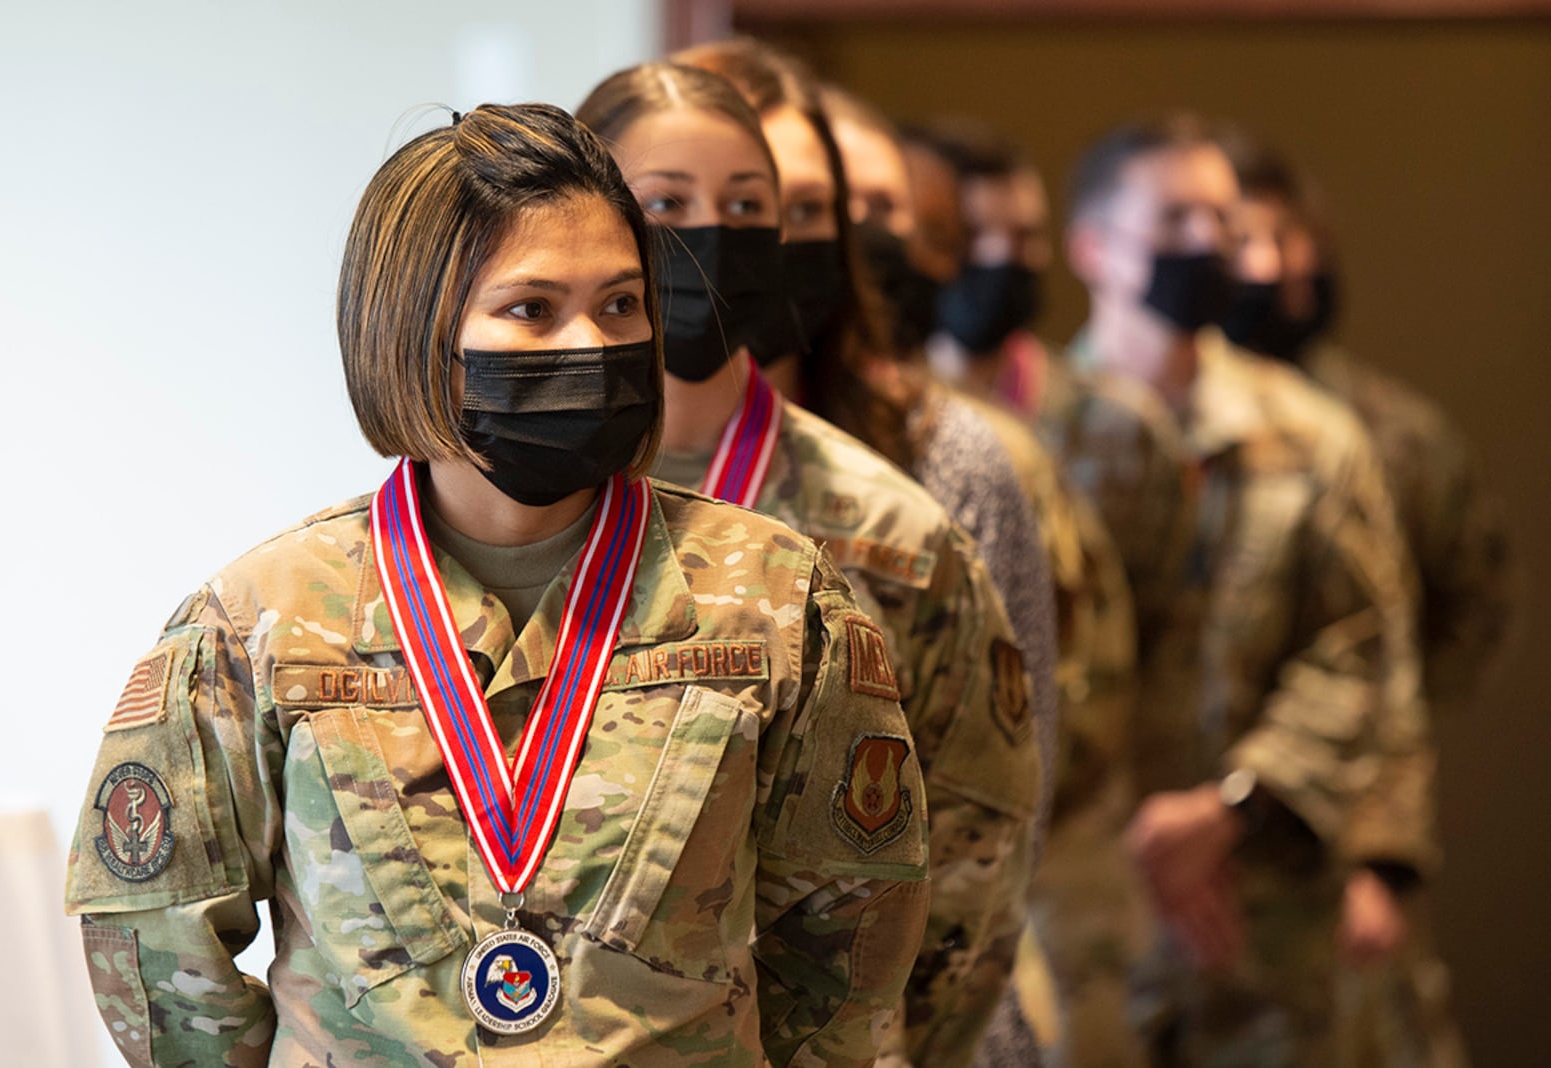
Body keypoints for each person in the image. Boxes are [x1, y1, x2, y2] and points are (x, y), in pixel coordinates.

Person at [62, 101, 933, 1067]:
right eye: (531, 309)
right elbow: (161, 950)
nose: (593, 342)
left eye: (620, 304)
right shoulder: (262, 620)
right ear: (418, 334)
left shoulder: (778, 599)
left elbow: (850, 941)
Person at [575, 61, 1044, 1068]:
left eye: (748, 206)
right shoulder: (523, 504)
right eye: (666, 204)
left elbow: (975, 855)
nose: (710, 235)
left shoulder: (894, 530)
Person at [1058, 112, 1434, 1067]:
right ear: (1092, 246)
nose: (1207, 247)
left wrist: (1227, 809)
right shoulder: (1030, 440)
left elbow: (1362, 647)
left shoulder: (1313, 435)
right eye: (1175, 221)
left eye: (1222, 224)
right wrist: (1132, 838)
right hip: (1083, 914)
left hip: (1267, 912)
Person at [1222, 130, 1515, 1068]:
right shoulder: (1130, 426)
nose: (1279, 266)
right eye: (1248, 240)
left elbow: (1448, 617)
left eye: (1296, 238)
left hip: (1345, 833)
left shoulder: (1386, 435)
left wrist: (1379, 841)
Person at [908, 116, 1154, 1068]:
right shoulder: (874, 434)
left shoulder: (1105, 430)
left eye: (1026, 238)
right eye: (976, 241)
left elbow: (1155, 634)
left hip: (1079, 844)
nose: (1002, 262)